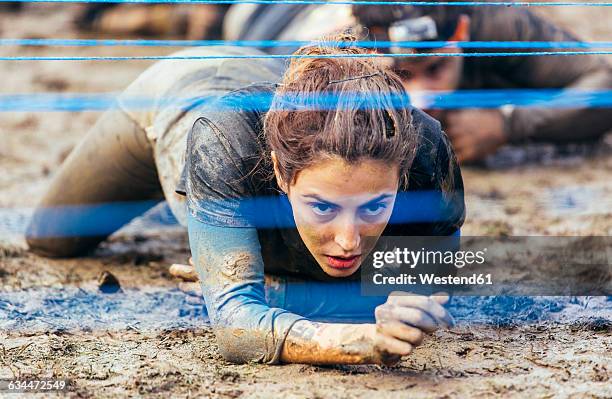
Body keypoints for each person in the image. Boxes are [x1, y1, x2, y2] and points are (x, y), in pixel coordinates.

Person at [26, 37, 465, 365]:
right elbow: (235, 327)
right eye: (323, 207)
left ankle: (221, 221)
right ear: (280, 172)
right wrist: (357, 337)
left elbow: (446, 282)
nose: (349, 240)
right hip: (179, 95)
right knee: (51, 239)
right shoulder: (224, 141)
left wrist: (279, 293)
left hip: (269, 74)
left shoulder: (424, 149)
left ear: (404, 175)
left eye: (373, 207)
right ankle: (200, 205)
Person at [223, 2, 612, 163]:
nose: (423, 99)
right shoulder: (325, 56)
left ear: (461, 32)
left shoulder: (489, 21)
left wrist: (508, 123)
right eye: (401, 76)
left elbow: (603, 84)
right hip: (269, 15)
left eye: (436, 67)